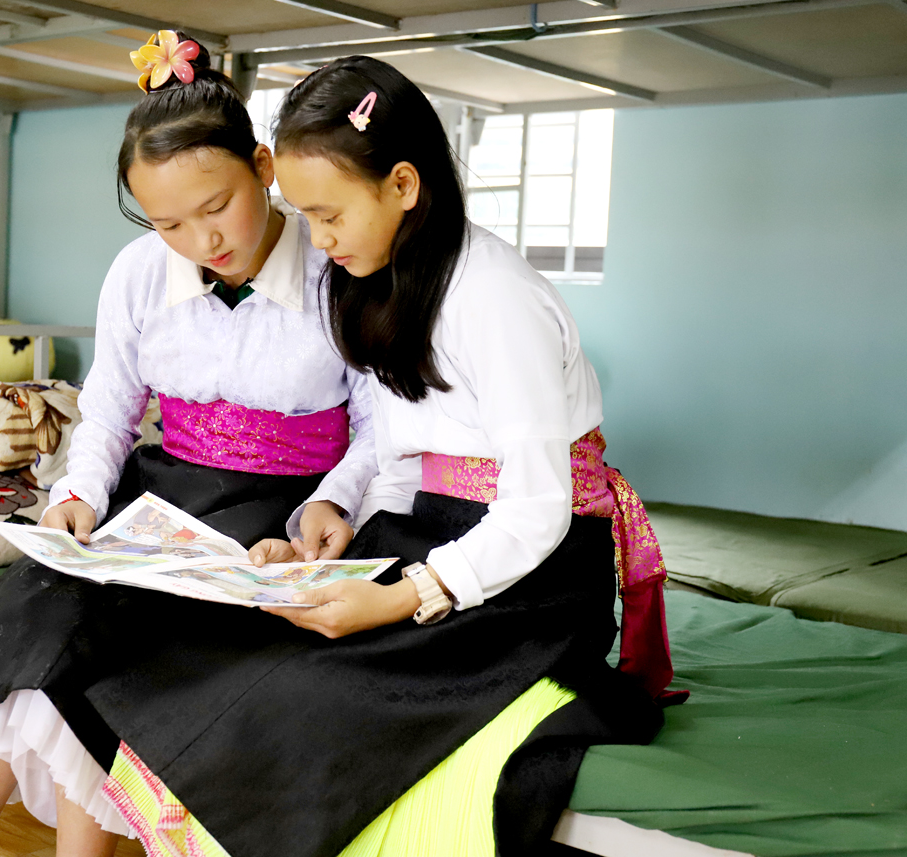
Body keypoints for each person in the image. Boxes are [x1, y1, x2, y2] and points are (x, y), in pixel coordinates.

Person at [88, 57, 678, 857]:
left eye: (326, 215)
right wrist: (327, 522)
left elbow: (536, 509)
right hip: (434, 530)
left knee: (298, 695)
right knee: (231, 660)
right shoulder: (376, 279)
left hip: (536, 573)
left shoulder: (495, 298)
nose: (317, 240)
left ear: (402, 184)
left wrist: (401, 599)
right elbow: (400, 455)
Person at [0, 31, 378, 857]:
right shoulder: (137, 272)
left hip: (281, 514)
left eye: (217, 207)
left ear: (265, 170)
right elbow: (109, 410)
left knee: (118, 663)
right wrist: (79, 497)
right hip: (159, 495)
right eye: (169, 221)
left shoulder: (337, 268)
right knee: (31, 616)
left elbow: (381, 427)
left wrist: (330, 502)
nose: (203, 240)